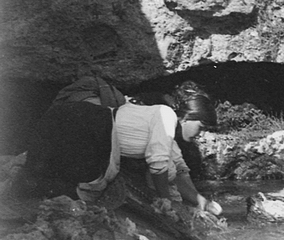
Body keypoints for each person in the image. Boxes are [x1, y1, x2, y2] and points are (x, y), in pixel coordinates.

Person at [23, 77, 221, 216]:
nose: (200, 134)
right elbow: (158, 164)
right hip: (90, 128)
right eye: (201, 127)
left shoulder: (169, 131)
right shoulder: (166, 115)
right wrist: (165, 201)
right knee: (82, 195)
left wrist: (201, 201)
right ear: (189, 117)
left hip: (87, 127)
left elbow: (180, 170)